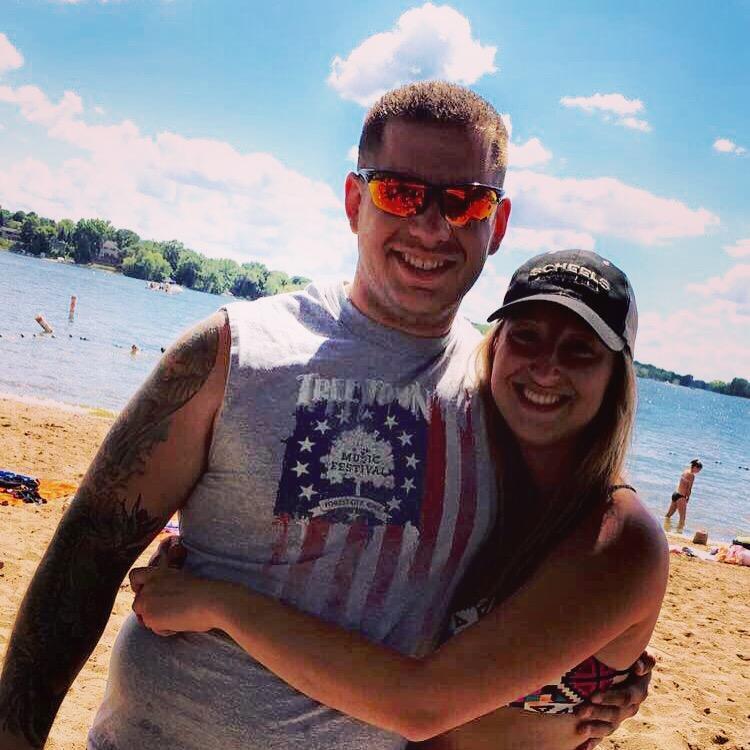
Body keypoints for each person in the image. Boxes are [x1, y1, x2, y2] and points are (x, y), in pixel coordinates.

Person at [0, 82, 650, 750]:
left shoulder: (503, 401)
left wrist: (604, 674)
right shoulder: (232, 351)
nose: (432, 227)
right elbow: (87, 553)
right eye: (400, 193)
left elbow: (552, 577)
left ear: (498, 222)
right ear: (354, 202)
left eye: (465, 201)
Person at [132, 249, 668, 750]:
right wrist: (211, 551)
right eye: (527, 336)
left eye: (580, 350)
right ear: (496, 345)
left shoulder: (619, 537)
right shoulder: (474, 473)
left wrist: (219, 603)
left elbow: (421, 706)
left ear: (615, 377)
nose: (547, 366)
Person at [664, 459, 702, 530]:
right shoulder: (691, 475)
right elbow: (689, 488)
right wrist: (687, 498)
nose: (698, 472)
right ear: (695, 467)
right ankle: (679, 532)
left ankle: (664, 528)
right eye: (699, 470)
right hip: (681, 497)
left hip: (675, 494)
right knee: (682, 518)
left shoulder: (685, 471)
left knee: (668, 515)